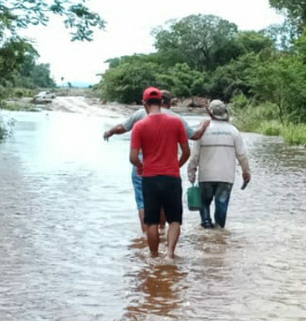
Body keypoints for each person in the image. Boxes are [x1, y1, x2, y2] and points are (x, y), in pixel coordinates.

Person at [104, 90, 209, 232]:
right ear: (169, 103)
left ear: (146, 103)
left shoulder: (140, 114)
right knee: (165, 202)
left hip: (142, 164)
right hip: (167, 165)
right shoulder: (176, 118)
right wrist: (203, 125)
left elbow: (122, 128)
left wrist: (109, 132)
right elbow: (195, 136)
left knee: (143, 202)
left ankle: (146, 235)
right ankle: (161, 230)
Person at [129, 87, 191, 259]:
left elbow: (133, 157)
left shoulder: (139, 126)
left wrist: (141, 167)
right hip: (171, 177)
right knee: (174, 220)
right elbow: (187, 152)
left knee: (151, 222)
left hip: (149, 178)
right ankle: (170, 254)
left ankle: (154, 256)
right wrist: (176, 166)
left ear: (144, 104)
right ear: (162, 103)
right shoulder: (176, 122)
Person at [187, 99, 251, 229]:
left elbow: (195, 155)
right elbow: (242, 155)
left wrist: (191, 171)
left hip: (206, 176)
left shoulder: (202, 130)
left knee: (204, 203)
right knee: (221, 206)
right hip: (226, 177)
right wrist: (246, 172)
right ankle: (219, 233)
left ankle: (206, 225)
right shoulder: (233, 131)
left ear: (209, 113)